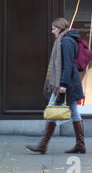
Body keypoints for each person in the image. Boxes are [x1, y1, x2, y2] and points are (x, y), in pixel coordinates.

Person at [26, 18, 86, 154]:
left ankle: (43, 145)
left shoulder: (66, 42)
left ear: (60, 28)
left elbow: (68, 64)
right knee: (74, 112)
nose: (52, 31)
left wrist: (63, 84)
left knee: (52, 109)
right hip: (67, 81)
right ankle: (80, 144)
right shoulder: (64, 40)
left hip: (66, 83)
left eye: (54, 28)